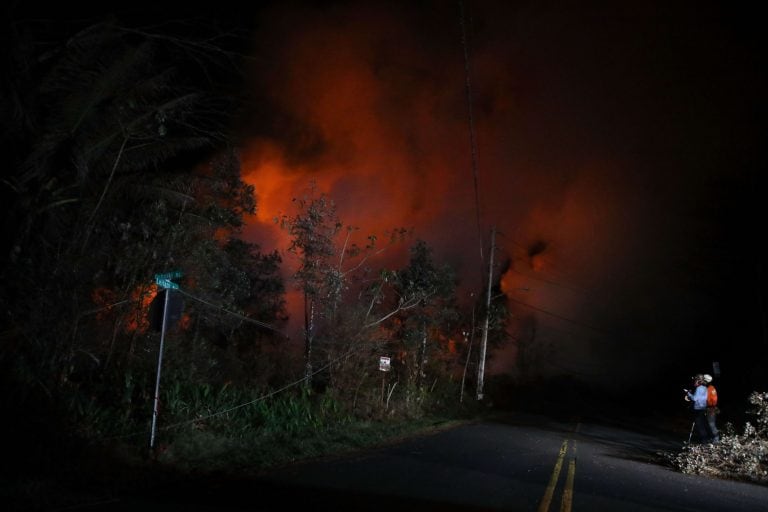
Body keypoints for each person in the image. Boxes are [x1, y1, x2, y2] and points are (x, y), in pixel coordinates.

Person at [685, 374, 713, 444]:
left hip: (698, 409)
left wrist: (688, 393)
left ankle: (704, 442)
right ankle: (707, 441)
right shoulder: (705, 388)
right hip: (703, 409)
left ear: (699, 381)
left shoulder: (699, 388)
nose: (694, 381)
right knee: (702, 425)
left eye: (695, 380)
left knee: (700, 427)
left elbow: (695, 398)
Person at [702, 373, 719, 443]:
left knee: (711, 424)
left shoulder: (711, 389)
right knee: (706, 424)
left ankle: (716, 439)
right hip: (706, 408)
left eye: (703, 380)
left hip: (711, 409)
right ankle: (709, 439)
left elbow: (713, 401)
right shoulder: (705, 388)